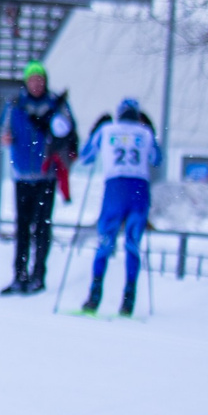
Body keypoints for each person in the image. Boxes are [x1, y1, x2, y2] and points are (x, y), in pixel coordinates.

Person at [79, 97, 163, 314]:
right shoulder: (145, 133)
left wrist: (94, 131)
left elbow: (85, 157)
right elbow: (157, 159)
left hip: (115, 189)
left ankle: (94, 296)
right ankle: (128, 300)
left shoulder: (107, 130)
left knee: (105, 243)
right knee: (132, 244)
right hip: (139, 189)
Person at [0, 62, 76, 296]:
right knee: (22, 227)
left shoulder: (56, 105)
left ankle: (38, 275)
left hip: (46, 174)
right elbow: (3, 132)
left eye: (39, 79)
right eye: (32, 80)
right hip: (22, 174)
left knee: (42, 227)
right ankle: (19, 275)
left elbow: (69, 134)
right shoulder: (15, 105)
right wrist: (6, 138)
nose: (36, 84)